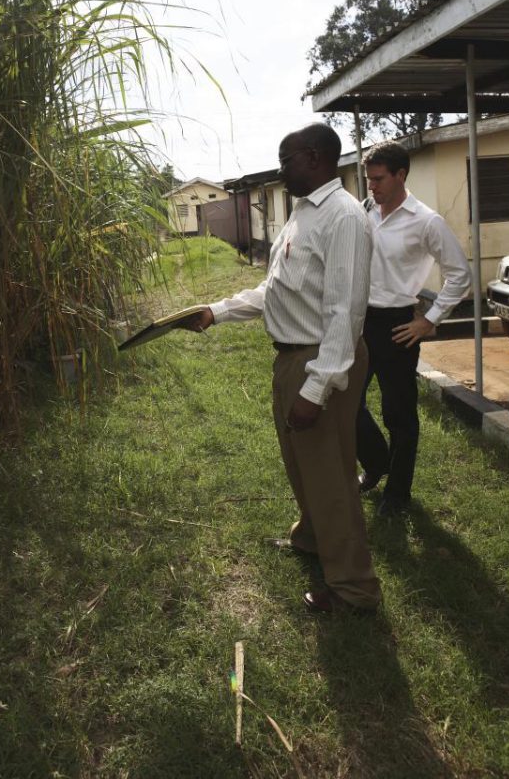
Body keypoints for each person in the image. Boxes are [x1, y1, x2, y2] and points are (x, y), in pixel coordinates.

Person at [182, 124, 381, 614]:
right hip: (292, 356)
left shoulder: (343, 217)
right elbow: (275, 291)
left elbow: (346, 312)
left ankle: (354, 588)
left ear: (313, 158)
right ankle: (315, 539)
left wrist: (316, 388)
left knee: (330, 475)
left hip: (320, 358)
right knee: (303, 465)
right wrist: (217, 311)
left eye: (286, 159)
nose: (280, 168)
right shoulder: (301, 216)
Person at [357, 140, 471, 517]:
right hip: (359, 321)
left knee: (399, 413)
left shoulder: (426, 220)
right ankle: (376, 463)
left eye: (377, 179)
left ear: (401, 175)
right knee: (347, 401)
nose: (370, 186)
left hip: (397, 325)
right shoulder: (364, 212)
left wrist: (429, 320)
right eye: (368, 179)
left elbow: (460, 275)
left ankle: (398, 494)